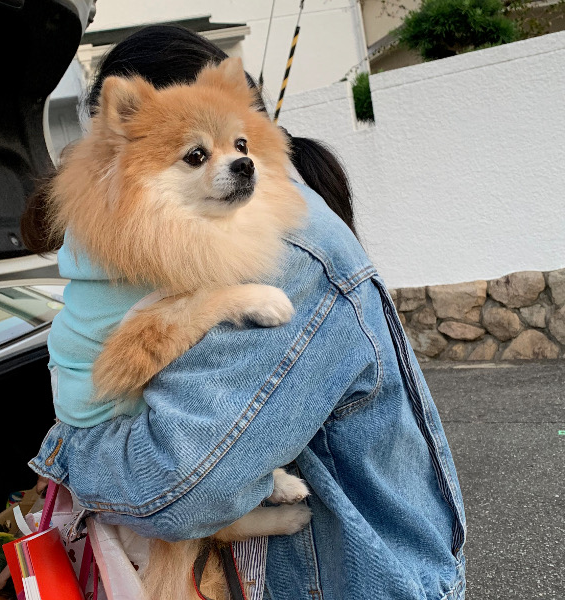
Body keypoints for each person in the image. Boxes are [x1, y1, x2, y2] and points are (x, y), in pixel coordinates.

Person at [25, 25, 466, 600]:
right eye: (196, 155)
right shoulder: (191, 246)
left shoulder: (284, 255)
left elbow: (180, 488)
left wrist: (67, 454)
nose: (237, 165)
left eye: (239, 147)